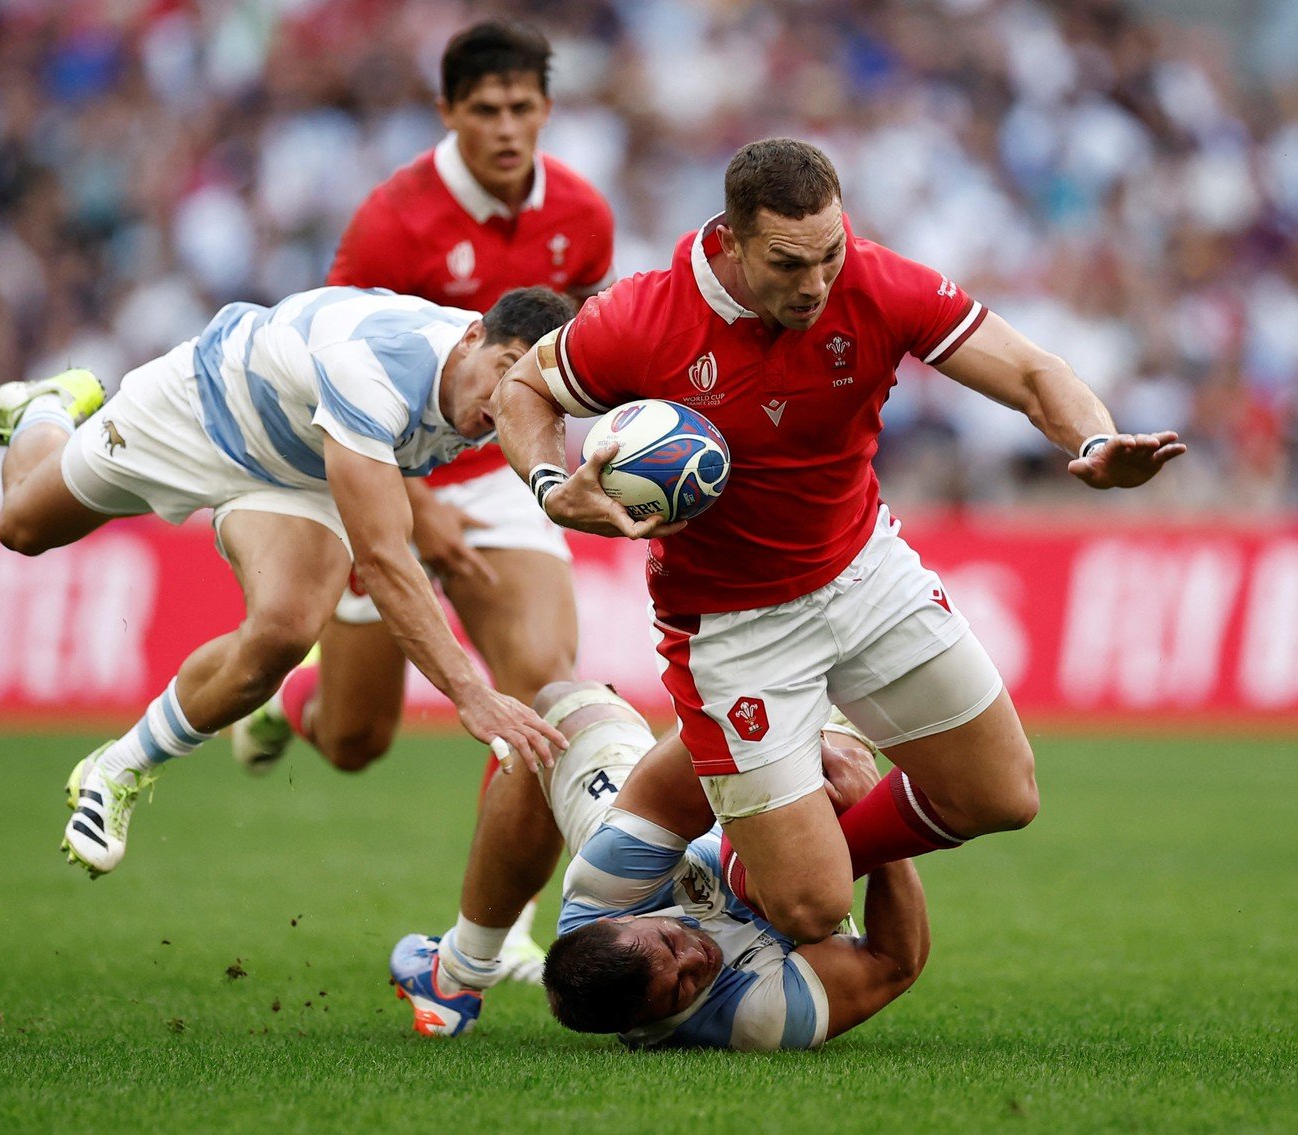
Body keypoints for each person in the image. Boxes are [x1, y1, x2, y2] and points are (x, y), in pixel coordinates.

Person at [494, 138, 1186, 945]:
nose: (816, 284)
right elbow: (526, 387)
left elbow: (1033, 373)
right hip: (732, 623)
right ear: (728, 239)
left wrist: (1096, 444)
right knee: (813, 909)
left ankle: (741, 860)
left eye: (829, 253)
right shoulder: (644, 317)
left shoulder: (877, 281)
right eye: (788, 264)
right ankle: (693, 817)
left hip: (863, 573)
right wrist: (553, 486)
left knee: (1000, 794)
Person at [230, 19, 614, 981]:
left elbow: (582, 361)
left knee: (541, 683)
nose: (506, 128)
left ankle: (495, 933)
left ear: (545, 110)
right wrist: (409, 500)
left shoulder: (583, 215)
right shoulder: (391, 223)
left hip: (505, 476)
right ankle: (299, 702)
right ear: (447, 112)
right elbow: (330, 371)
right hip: (386, 476)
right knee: (358, 743)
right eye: (484, 109)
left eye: (522, 107)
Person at [0, 284, 573, 876]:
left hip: (301, 474)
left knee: (285, 633)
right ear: (472, 336)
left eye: (520, 388)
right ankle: (48, 408)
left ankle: (117, 768)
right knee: (22, 527)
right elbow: (384, 559)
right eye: (500, 370)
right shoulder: (376, 366)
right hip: (203, 410)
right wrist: (472, 695)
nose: (503, 401)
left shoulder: (505, 397)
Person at [389, 680, 930, 1049]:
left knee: (555, 715)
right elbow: (894, 962)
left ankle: (459, 968)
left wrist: (798, 733)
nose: (698, 957)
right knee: (811, 899)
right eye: (681, 989)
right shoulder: (758, 1020)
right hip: (802, 876)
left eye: (671, 944)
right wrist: (877, 818)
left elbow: (707, 744)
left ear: (619, 922)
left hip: (689, 832)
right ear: (647, 1020)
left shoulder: (607, 884)